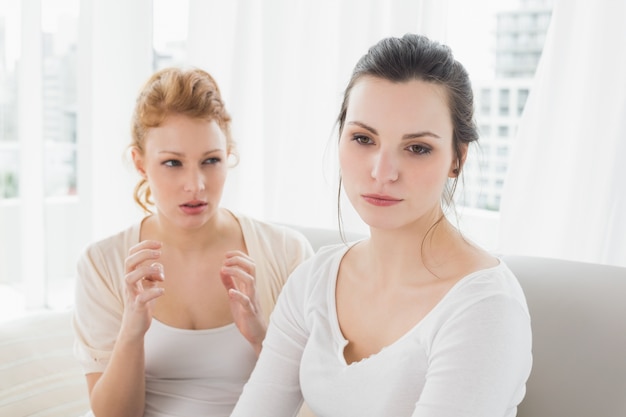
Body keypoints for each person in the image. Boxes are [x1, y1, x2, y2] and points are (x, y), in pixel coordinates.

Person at [230, 33, 532, 417]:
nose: (382, 172)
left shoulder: (486, 307)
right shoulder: (315, 280)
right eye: (363, 138)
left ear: (457, 159)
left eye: (417, 148)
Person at [72, 67, 314, 417]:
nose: (196, 185)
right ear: (140, 163)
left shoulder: (287, 251)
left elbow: (315, 397)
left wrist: (262, 336)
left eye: (211, 161)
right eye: (172, 163)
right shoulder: (101, 263)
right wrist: (132, 332)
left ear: (228, 155)